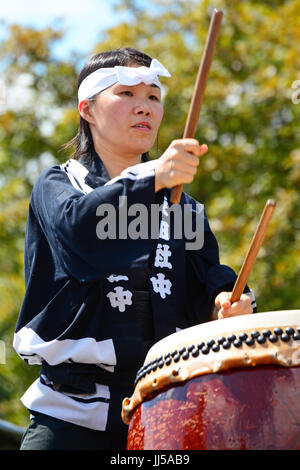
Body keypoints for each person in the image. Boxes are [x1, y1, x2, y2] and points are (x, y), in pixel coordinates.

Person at [14, 47, 256, 450]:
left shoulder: (182, 207)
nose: (144, 107)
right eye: (126, 94)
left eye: (153, 97)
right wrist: (152, 178)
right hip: (69, 417)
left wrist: (224, 306)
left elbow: (205, 285)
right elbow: (81, 243)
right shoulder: (59, 186)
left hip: (164, 416)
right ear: (87, 110)